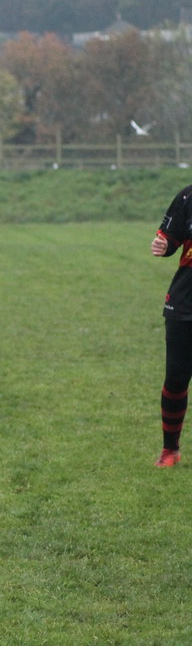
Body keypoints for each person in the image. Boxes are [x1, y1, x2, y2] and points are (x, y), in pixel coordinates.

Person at [150, 184, 192, 467]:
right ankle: (170, 450)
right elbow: (169, 240)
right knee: (176, 377)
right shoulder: (188, 197)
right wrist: (163, 246)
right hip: (185, 300)